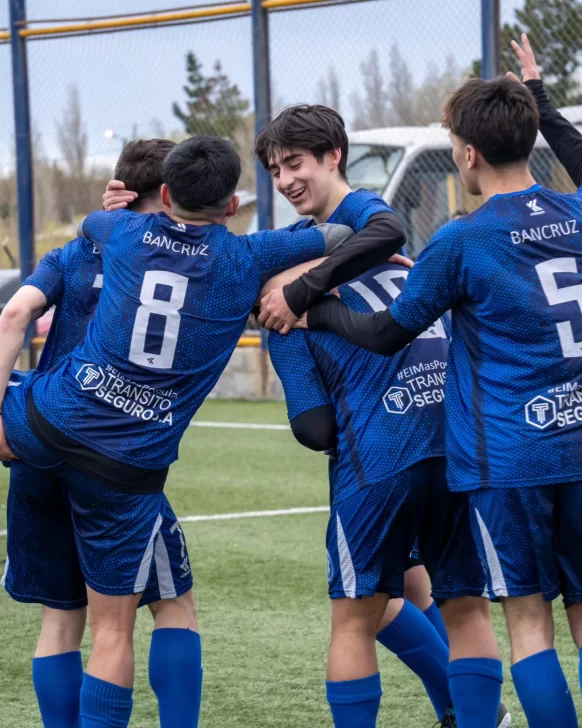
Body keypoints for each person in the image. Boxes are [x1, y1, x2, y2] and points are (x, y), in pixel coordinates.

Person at [0, 135, 402, 728]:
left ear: (164, 195)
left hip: (47, 423)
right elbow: (347, 235)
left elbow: (69, 247)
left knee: (61, 616)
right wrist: (329, 264)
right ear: (232, 205)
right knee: (119, 628)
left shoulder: (119, 233)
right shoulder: (246, 257)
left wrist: (108, 206)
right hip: (126, 468)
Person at [296, 76, 582, 728]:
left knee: (530, 625)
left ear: (467, 154)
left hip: (510, 457)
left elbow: (388, 331)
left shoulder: (461, 240)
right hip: (579, 439)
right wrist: (541, 103)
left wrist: (320, 315)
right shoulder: (577, 214)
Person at [255, 105, 510, 728]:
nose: (285, 180)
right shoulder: (397, 261)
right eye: (275, 170)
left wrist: (293, 302)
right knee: (462, 603)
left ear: (333, 156)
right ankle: (475, 715)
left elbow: (314, 429)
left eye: (295, 164)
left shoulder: (324, 261)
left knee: (356, 615)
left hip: (380, 462)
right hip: (453, 450)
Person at [1, 139, 205, 728]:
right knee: (171, 607)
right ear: (169, 196)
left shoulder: (78, 248)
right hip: (117, 456)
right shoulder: (185, 262)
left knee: (60, 619)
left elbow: (14, 317)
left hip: (38, 442)